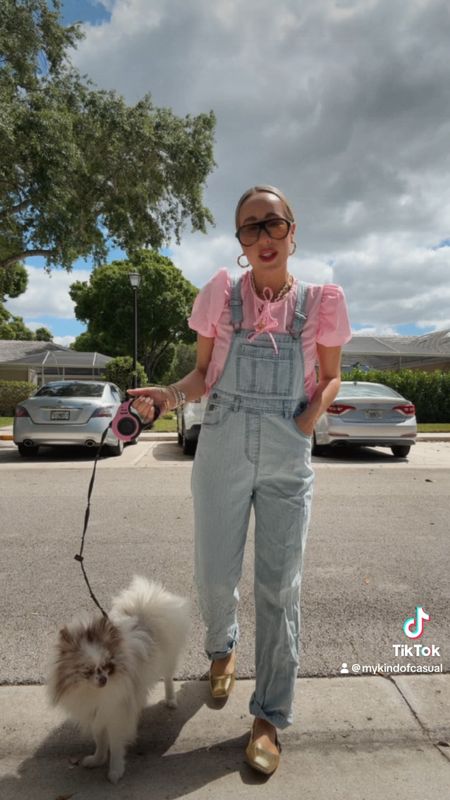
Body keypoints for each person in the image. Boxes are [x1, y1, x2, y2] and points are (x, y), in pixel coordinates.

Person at [128, 185, 352, 775]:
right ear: (240, 243)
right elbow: (204, 374)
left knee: (281, 590)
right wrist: (169, 395)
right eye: (248, 229)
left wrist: (308, 418)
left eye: (272, 225)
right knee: (213, 574)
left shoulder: (322, 301)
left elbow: (331, 376)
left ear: (292, 229)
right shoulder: (220, 295)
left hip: (287, 450)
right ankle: (220, 648)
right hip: (222, 441)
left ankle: (270, 715)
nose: (261, 238)